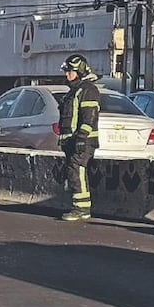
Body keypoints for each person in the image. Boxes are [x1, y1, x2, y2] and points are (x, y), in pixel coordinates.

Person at [58, 53, 100, 222]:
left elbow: (89, 117)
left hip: (84, 141)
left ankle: (81, 209)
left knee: (77, 169)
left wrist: (81, 137)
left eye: (70, 71)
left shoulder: (88, 90)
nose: (67, 75)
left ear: (80, 72)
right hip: (72, 140)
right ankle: (79, 206)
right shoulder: (75, 91)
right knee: (73, 171)